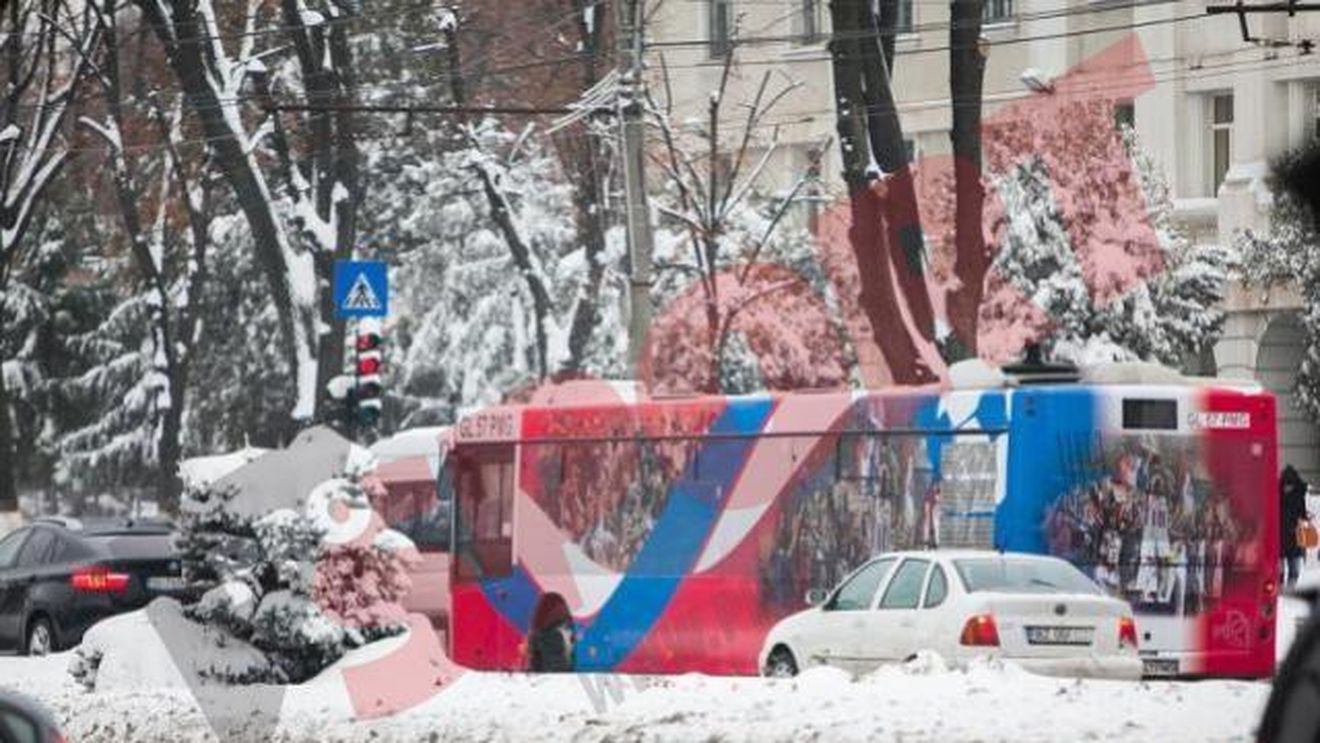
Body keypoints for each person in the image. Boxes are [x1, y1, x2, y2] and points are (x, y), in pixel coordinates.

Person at [1281, 465, 1310, 587]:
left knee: (1293, 569)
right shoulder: (1278, 495)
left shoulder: (1298, 496)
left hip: (1292, 536)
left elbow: (1302, 514)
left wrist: (1305, 519)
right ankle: (1282, 587)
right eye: (1285, 485)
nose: (1287, 488)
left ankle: (1289, 588)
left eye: (1289, 485)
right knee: (1281, 569)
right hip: (1281, 536)